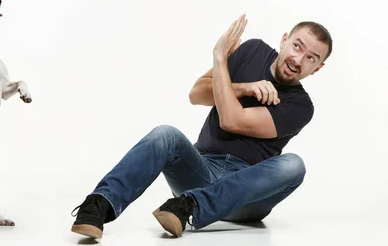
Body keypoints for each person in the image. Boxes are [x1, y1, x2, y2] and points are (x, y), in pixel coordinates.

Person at [70, 14, 333, 238]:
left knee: (293, 165)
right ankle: (100, 205)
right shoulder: (253, 50)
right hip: (201, 170)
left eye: (311, 58)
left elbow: (232, 121)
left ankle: (190, 207)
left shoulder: (301, 106)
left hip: (247, 194)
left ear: (318, 69)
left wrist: (220, 59)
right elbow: (197, 94)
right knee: (166, 134)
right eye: (298, 46)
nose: (299, 60)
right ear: (284, 39)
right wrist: (241, 85)